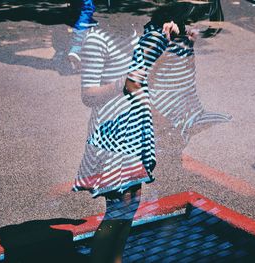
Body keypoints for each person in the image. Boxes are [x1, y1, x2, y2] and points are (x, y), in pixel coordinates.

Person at [72, 2, 228, 262]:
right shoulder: (96, 41)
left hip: (135, 127)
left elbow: (151, 57)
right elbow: (88, 95)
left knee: (130, 204)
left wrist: (174, 34)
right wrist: (123, 83)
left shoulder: (136, 34)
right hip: (112, 131)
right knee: (117, 209)